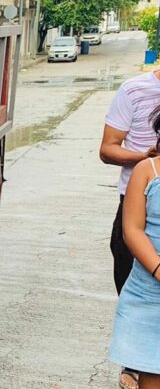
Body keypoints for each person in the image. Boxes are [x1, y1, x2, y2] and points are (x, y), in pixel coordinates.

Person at [100, 69, 160, 389]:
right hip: (137, 205)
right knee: (133, 286)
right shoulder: (134, 90)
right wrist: (144, 158)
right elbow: (107, 148)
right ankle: (135, 361)